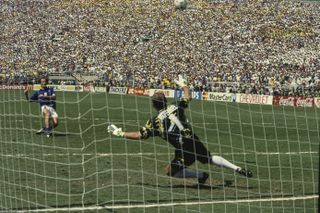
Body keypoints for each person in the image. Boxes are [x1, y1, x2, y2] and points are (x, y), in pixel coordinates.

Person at [108, 75, 252, 185]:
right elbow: (188, 96)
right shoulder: (176, 106)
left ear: (154, 105)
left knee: (170, 171)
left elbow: (139, 135)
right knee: (209, 158)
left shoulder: (155, 121)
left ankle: (200, 176)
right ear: (165, 100)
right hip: (193, 139)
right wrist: (184, 85)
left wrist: (120, 133)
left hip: (183, 148)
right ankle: (237, 168)